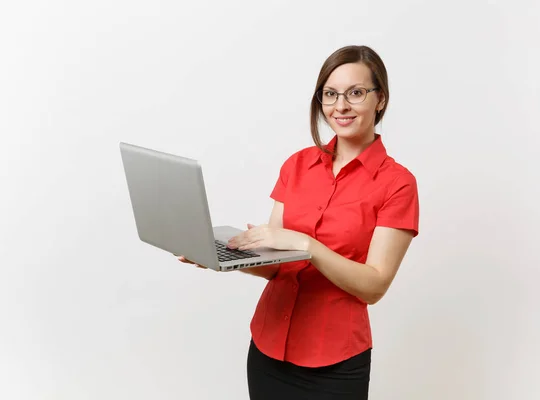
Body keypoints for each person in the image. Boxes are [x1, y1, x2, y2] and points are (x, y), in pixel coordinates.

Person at [178, 45, 419, 400]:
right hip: (268, 348)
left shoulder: (397, 183)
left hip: (335, 364)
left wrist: (307, 245)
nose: (341, 106)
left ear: (380, 99)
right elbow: (277, 266)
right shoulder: (297, 165)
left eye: (355, 93)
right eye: (330, 94)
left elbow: (374, 286)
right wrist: (225, 258)